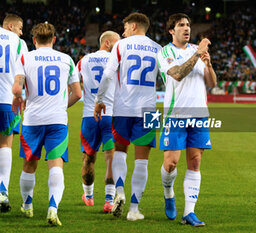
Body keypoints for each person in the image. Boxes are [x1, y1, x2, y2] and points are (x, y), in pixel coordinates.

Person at [12, 23, 82, 226]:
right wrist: (61, 106)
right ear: (53, 39)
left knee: (29, 164)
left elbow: (18, 86)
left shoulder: (25, 58)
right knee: (56, 164)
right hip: (57, 121)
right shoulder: (67, 59)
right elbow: (77, 93)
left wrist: (18, 95)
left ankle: (27, 206)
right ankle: (52, 208)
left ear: (33, 40)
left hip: (32, 120)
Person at [94, 12, 161, 221]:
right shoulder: (158, 49)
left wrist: (99, 99)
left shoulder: (120, 46)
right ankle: (134, 209)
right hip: (149, 109)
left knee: (120, 152)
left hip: (122, 108)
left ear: (133, 26)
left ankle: (119, 190)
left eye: (124, 27)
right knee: (142, 162)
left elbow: (107, 75)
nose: (122, 32)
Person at [157, 13, 216, 226]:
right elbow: (178, 74)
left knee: (195, 161)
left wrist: (208, 64)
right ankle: (168, 192)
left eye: (188, 24)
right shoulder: (165, 52)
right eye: (181, 25)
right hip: (176, 115)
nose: (186, 28)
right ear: (172, 30)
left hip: (199, 115)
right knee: (171, 163)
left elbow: (211, 83)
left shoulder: (196, 51)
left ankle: (189, 213)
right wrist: (198, 54)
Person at [77, 31, 120, 213]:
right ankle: (109, 201)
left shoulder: (83, 61)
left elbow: (74, 85)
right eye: (117, 43)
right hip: (110, 115)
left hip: (89, 116)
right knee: (111, 159)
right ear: (108, 43)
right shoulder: (117, 62)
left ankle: (88, 196)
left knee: (88, 158)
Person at [0, 18, 26, 213]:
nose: (21, 33)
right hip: (7, 100)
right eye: (20, 28)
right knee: (4, 144)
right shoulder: (18, 43)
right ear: (10, 26)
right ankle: (2, 191)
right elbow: (23, 74)